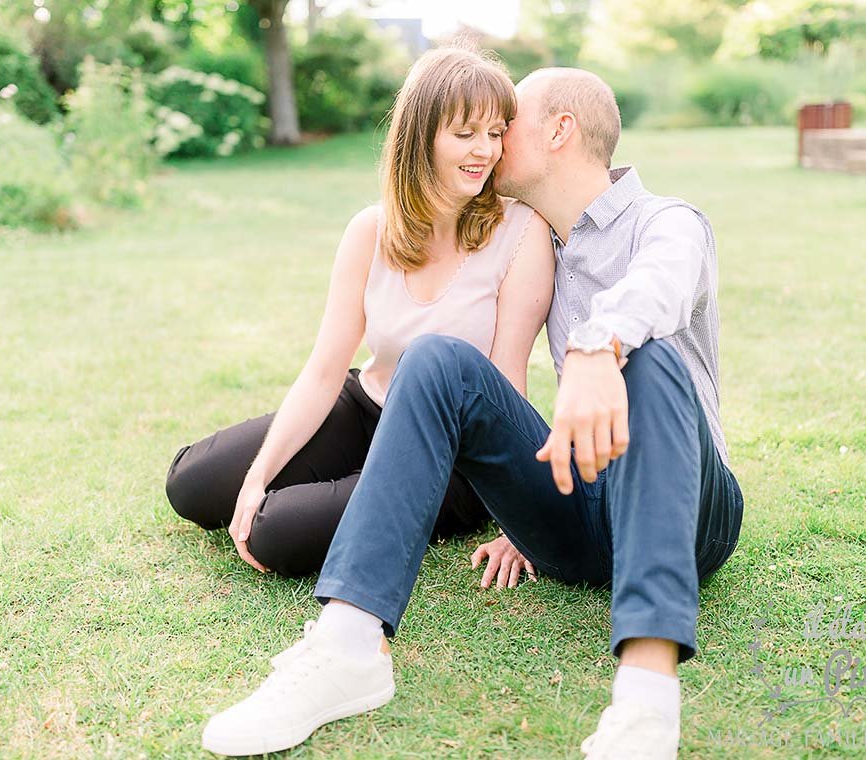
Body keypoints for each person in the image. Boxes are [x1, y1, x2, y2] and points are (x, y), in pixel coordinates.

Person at [199, 66, 744, 760]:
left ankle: (644, 704)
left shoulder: (668, 222)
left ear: (559, 131)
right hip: (581, 515)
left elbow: (658, 288)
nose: (492, 141)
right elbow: (496, 389)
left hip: (690, 506)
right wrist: (519, 514)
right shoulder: (543, 241)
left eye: (507, 123)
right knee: (436, 357)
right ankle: (348, 646)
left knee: (648, 355)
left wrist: (598, 345)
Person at [164, 47, 554, 579]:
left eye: (495, 132)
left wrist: (519, 523)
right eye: (465, 133)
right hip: (368, 404)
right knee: (192, 483)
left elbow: (509, 386)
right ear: (422, 136)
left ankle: (385, 495)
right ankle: (334, 477)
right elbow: (325, 370)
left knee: (273, 532)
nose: (484, 150)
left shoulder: (521, 230)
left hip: (452, 451)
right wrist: (257, 476)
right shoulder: (371, 229)